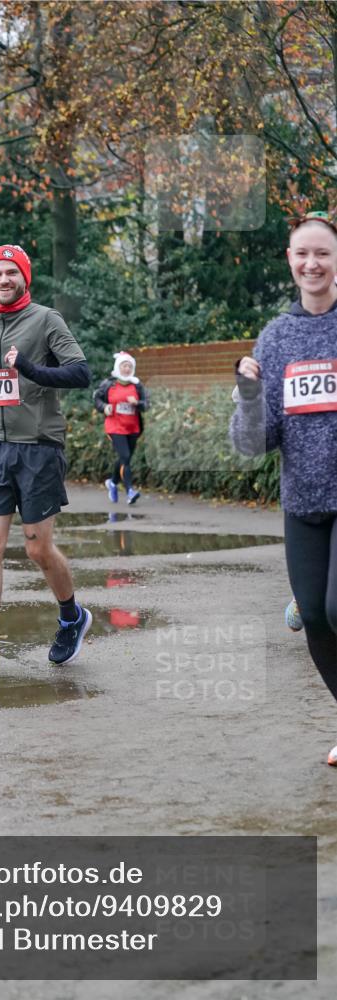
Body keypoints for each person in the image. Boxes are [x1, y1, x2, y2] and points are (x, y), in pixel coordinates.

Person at [0, 243, 93, 678]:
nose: (4, 279)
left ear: (25, 277)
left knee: (36, 548)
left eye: (12, 272)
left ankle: (72, 617)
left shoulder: (47, 320)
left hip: (39, 448)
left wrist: (30, 368)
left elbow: (80, 372)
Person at [230, 210, 337, 766]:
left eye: (322, 252)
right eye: (303, 253)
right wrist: (248, 395)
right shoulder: (276, 338)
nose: (312, 263)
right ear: (290, 262)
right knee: (314, 616)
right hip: (303, 501)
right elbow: (254, 444)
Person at [93, 351, 147, 505]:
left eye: (130, 366)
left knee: (125, 458)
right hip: (115, 427)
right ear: (118, 367)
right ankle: (130, 491)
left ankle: (112, 482)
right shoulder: (109, 384)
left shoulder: (137, 385)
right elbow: (96, 398)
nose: (127, 369)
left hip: (133, 428)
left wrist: (137, 403)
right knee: (125, 457)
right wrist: (104, 407)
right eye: (124, 365)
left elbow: (146, 404)